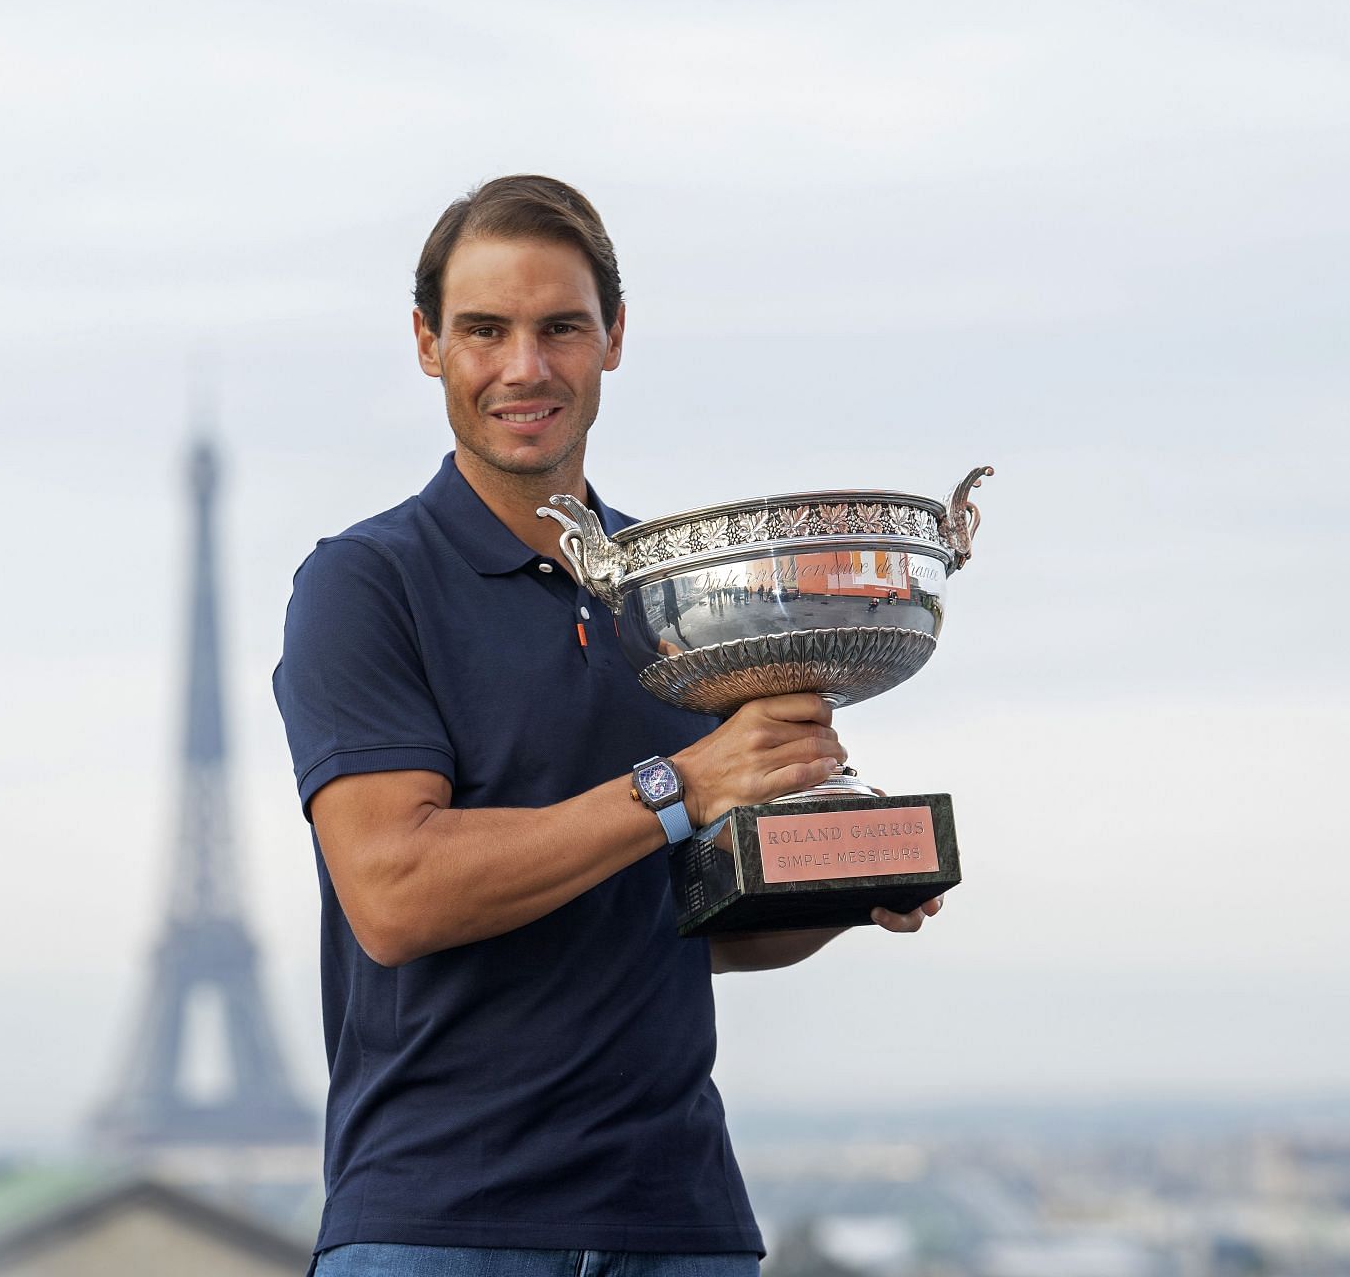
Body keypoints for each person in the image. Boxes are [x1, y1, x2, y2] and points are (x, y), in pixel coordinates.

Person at [273, 175, 942, 1277]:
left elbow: (676, 925)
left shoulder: (680, 596)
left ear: (614, 338)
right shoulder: (365, 583)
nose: (524, 366)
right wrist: (683, 783)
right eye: (485, 329)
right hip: (442, 1226)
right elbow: (395, 894)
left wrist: (840, 887)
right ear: (427, 343)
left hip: (679, 1222)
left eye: (561, 328)